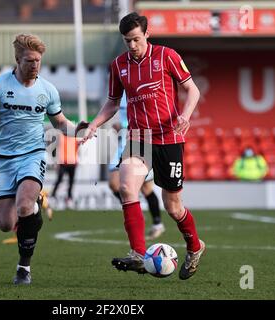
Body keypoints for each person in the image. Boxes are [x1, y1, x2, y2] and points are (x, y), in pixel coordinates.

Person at [79, 12, 205, 280]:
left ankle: (195, 247)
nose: (132, 46)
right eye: (127, 41)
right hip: (140, 138)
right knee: (126, 186)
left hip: (169, 137)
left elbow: (192, 90)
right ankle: (138, 253)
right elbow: (112, 103)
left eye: (136, 39)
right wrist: (93, 125)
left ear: (147, 34)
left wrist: (185, 116)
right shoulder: (118, 65)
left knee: (173, 207)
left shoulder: (167, 56)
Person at [0, 33, 77, 285]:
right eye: (29, 60)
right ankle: (34, 207)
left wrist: (79, 130)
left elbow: (60, 122)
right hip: (3, 160)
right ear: (17, 60)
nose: (35, 65)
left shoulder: (47, 90)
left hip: (32, 155)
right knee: (5, 223)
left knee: (24, 205)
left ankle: (24, 268)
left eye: (38, 60)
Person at [109, 92, 165, 240]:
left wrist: (124, 126)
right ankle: (136, 212)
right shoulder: (120, 92)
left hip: (140, 140)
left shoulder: (141, 89)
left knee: (146, 188)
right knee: (114, 184)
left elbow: (147, 116)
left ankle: (157, 223)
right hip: (123, 144)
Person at [51, 132, 80, 209]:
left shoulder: (75, 136)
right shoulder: (61, 136)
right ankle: (53, 197)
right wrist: (56, 161)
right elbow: (57, 148)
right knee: (59, 180)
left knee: (71, 181)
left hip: (73, 162)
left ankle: (69, 198)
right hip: (63, 162)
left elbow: (77, 149)